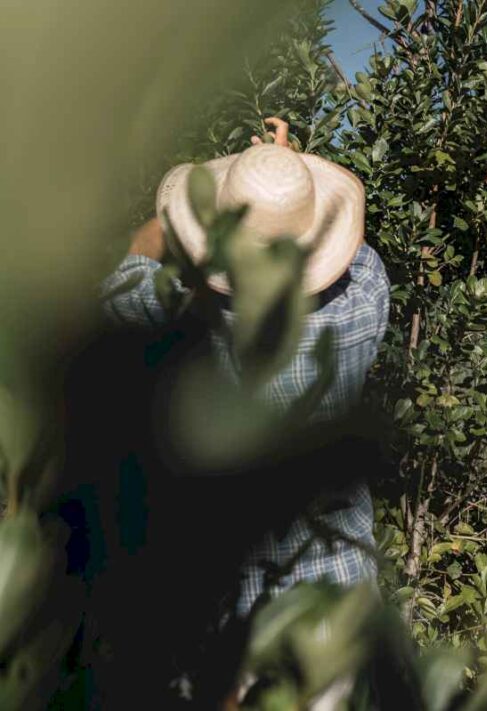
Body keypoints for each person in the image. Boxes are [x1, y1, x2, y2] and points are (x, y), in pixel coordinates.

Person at [102, 118, 390, 618]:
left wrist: (192, 215)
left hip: (229, 622)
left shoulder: (179, 322)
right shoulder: (365, 297)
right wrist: (290, 177)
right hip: (343, 607)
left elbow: (129, 268)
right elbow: (351, 248)